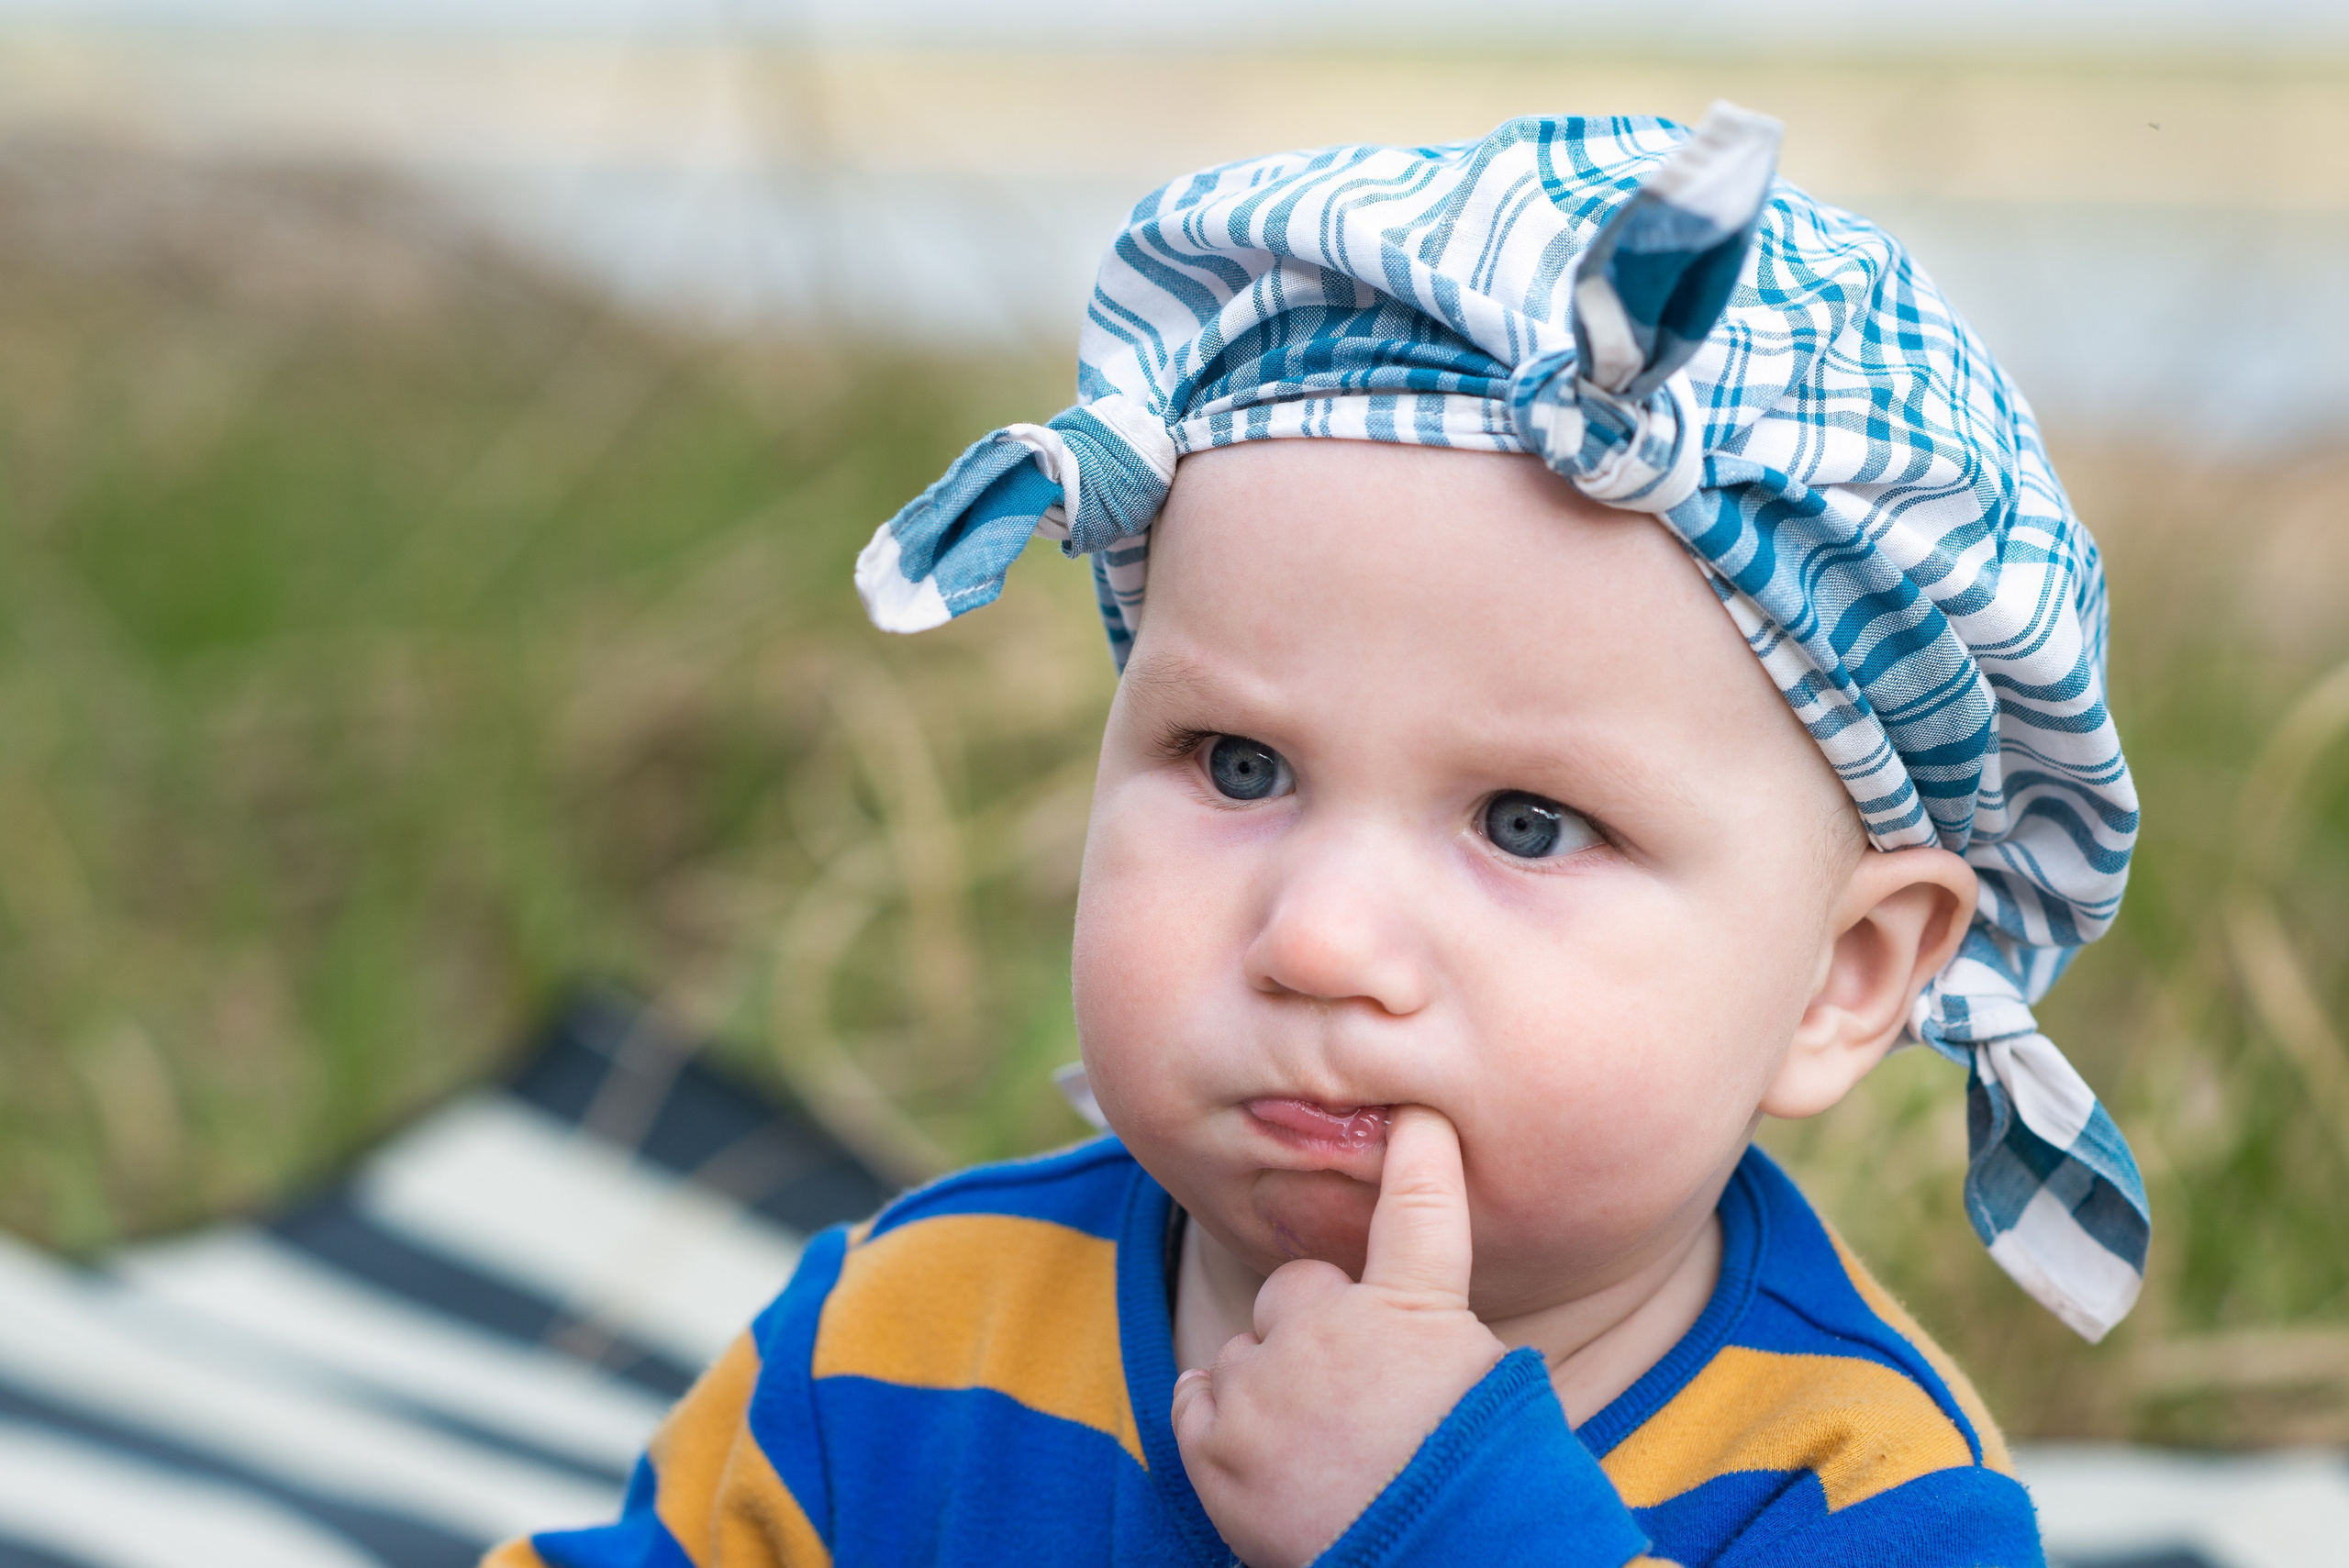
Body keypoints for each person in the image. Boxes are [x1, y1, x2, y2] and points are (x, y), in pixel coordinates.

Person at [488, 103, 2148, 1568]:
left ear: (1843, 975)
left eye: (1526, 820)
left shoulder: (1854, 1498)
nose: (1320, 938)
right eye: (1238, 766)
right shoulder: (901, 1344)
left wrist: (1454, 1522)